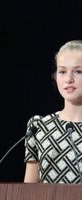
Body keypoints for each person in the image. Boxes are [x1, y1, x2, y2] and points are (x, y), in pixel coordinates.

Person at [24, 40, 82, 184]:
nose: (69, 79)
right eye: (62, 71)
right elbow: (28, 189)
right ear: (55, 77)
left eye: (78, 71)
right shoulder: (38, 126)